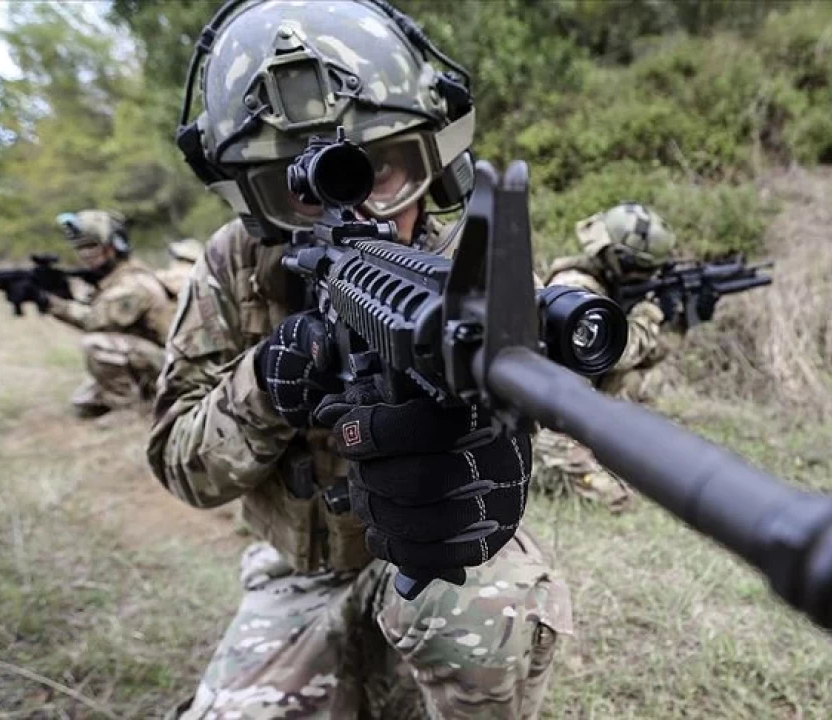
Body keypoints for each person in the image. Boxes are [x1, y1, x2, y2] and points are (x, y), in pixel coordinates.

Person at [145, 2, 570, 717]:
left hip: (448, 543)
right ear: (252, 199)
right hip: (303, 574)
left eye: (380, 169)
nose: (356, 209)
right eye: (295, 187)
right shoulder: (235, 265)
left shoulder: (457, 272)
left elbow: (547, 383)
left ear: (432, 161)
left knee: (485, 607)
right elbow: (177, 462)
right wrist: (264, 385)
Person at [533, 203, 680, 512]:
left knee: (640, 380)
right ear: (621, 261)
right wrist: (650, 314)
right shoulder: (576, 287)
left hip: (578, 403)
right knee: (618, 500)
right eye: (644, 270)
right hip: (548, 416)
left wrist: (680, 324)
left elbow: (644, 359)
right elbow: (618, 353)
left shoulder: (608, 284)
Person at [46, 209, 175, 418]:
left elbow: (93, 320)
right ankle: (142, 396)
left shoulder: (133, 282)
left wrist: (49, 302)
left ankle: (130, 409)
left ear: (114, 245)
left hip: (172, 367)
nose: (85, 254)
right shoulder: (113, 278)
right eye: (80, 247)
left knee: (96, 344)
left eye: (92, 246)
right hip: (153, 360)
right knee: (84, 404)